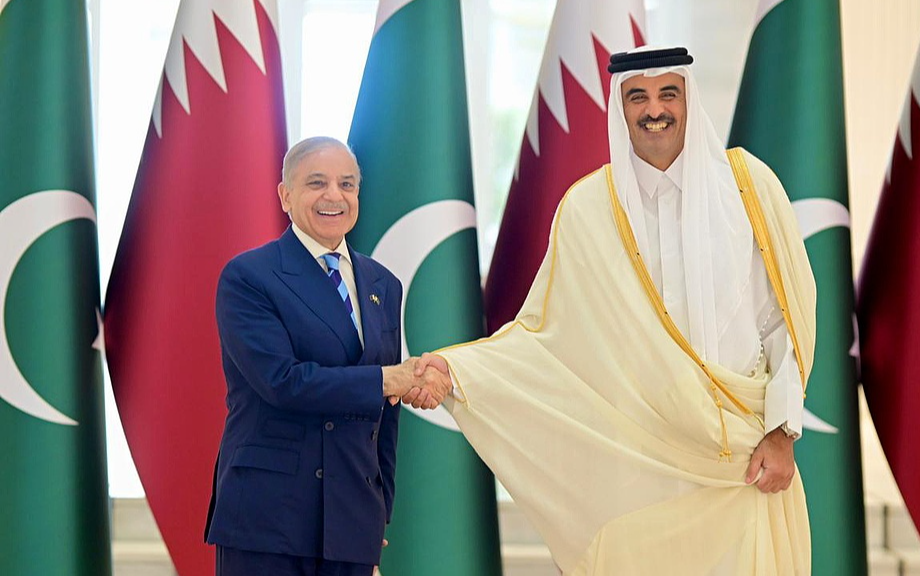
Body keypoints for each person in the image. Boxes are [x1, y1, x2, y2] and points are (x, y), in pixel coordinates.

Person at [411, 47, 816, 575]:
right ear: (618, 108)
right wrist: (456, 370)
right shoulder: (588, 208)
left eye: (668, 93)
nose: (655, 109)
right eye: (637, 97)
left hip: (741, 460)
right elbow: (543, 335)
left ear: (689, 99)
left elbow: (785, 323)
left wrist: (783, 432)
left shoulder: (749, 188)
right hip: (638, 465)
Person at [204, 136, 449, 576]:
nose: (334, 196)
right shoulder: (249, 277)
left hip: (351, 521)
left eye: (347, 184)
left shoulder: (383, 284)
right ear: (285, 195)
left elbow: (384, 420)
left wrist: (377, 513)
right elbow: (283, 382)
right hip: (268, 521)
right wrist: (386, 380)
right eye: (316, 183)